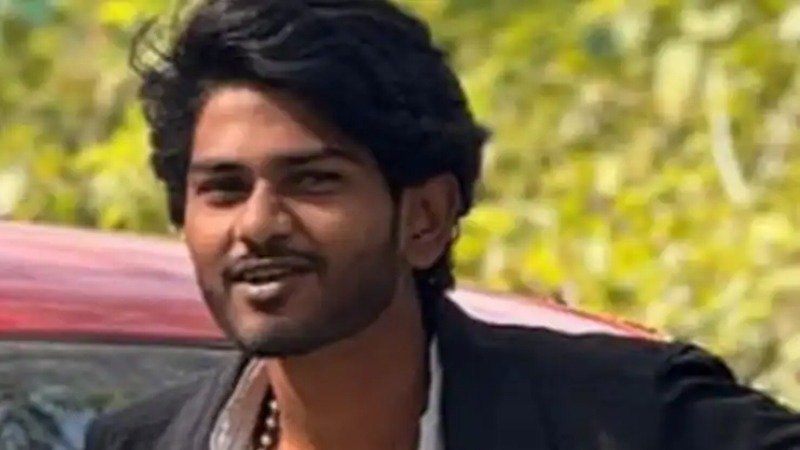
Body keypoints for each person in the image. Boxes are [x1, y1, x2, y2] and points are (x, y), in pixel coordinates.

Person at [85, 0, 800, 449]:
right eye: (223, 189)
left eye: (314, 181)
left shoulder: (630, 417)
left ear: (425, 217)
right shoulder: (143, 441)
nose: (259, 223)